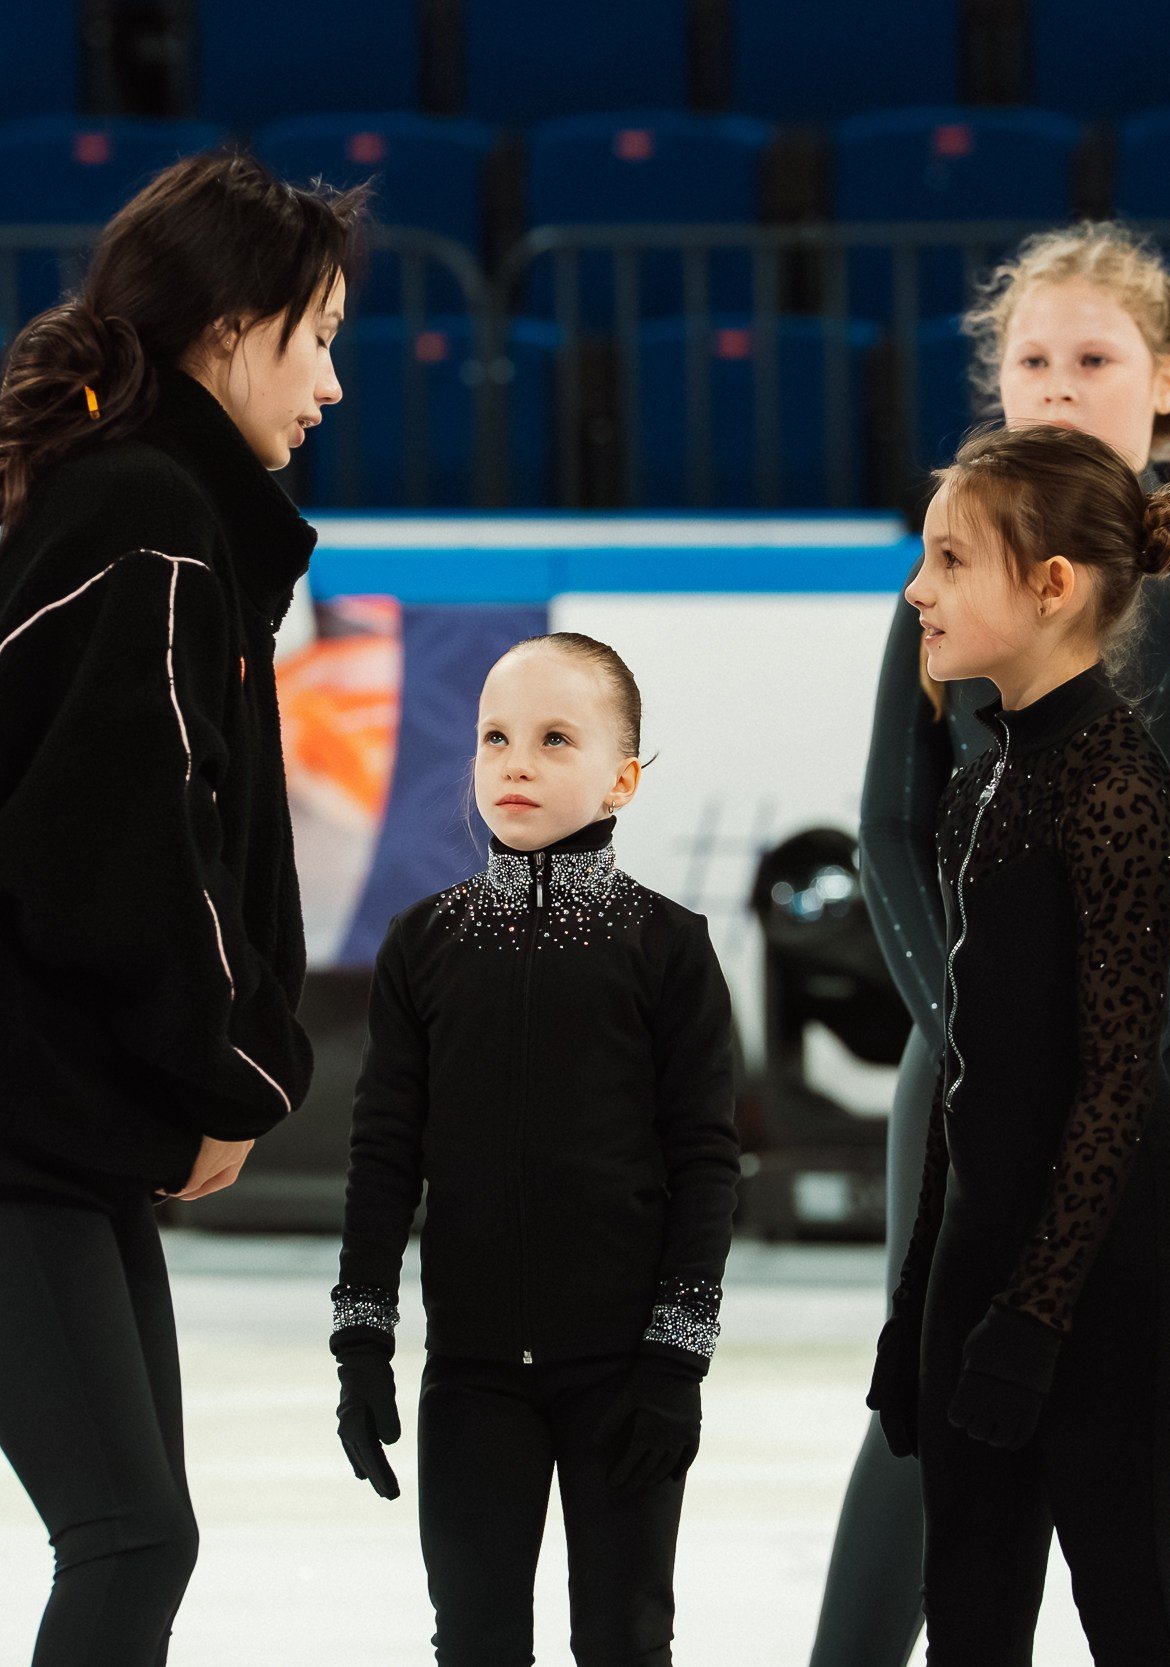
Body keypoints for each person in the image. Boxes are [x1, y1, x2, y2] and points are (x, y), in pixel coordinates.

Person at [0, 152, 365, 1666]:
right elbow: (118, 854)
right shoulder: (152, 519)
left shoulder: (154, 508)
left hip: (39, 1108)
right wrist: (230, 1070)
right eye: (317, 337)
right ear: (231, 326)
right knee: (130, 1535)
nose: (331, 383)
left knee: (137, 1536)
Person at [818, 223, 1170, 1667]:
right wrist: (968, 1028)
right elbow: (888, 824)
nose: (1060, 386)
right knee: (925, 1400)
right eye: (1033, 361)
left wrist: (1105, 1036)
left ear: (1169, 381)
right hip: (976, 1049)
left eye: (1094, 357)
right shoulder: (950, 572)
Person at [869, 423, 1170, 1661]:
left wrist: (1037, 1312)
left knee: (1122, 1594)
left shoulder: (1118, 787)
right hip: (988, 1226)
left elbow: (1113, 1080)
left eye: (950, 560)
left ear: (1052, 585)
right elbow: (968, 1067)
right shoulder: (979, 781)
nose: (917, 591)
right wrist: (919, 1292)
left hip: (1116, 1241)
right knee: (966, 1601)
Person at [328, 632, 740, 1667]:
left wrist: (677, 1361)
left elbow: (705, 1162)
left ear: (621, 778)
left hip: (623, 1370)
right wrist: (362, 1342)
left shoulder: (667, 946)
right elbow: (384, 1154)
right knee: (474, 1639)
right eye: (495, 737)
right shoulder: (424, 942)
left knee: (624, 1636)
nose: (516, 761)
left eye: (555, 738)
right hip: (472, 1374)